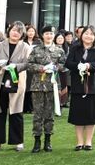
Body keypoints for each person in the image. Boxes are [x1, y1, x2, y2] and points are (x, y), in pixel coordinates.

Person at [0, 21, 31, 152]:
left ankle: (18, 141)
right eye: (13, 30)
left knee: (16, 111)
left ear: (22, 34)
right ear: (9, 30)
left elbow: (28, 64)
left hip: (16, 83)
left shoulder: (25, 47)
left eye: (19, 31)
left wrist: (16, 66)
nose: (15, 33)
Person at [27, 25, 67, 153]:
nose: (49, 36)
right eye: (46, 34)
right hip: (38, 86)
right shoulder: (36, 49)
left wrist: (55, 67)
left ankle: (48, 140)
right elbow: (29, 64)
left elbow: (64, 65)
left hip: (52, 86)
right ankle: (37, 140)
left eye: (51, 34)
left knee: (49, 114)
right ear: (42, 35)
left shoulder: (59, 50)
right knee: (37, 114)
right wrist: (41, 68)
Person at [65, 25, 95, 150]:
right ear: (81, 35)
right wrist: (78, 66)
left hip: (93, 85)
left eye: (91, 34)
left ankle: (88, 141)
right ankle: (79, 142)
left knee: (91, 115)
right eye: (86, 33)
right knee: (78, 114)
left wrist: (88, 66)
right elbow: (68, 63)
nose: (88, 36)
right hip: (77, 85)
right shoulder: (75, 47)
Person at [55, 32, 70, 108]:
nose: (60, 39)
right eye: (58, 38)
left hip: (64, 70)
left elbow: (68, 59)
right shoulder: (53, 47)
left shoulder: (67, 48)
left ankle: (62, 102)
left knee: (63, 86)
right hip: (55, 70)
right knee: (56, 86)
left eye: (61, 38)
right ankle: (56, 102)